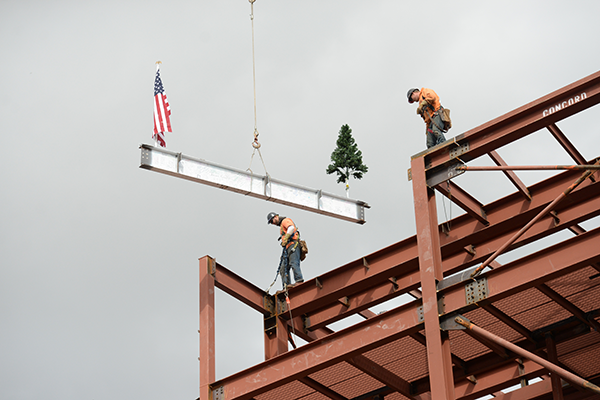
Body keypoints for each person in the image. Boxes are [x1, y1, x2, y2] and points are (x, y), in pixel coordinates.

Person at [267, 212, 304, 288]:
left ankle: (299, 280)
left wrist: (286, 238)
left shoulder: (285, 221)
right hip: (287, 248)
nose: (272, 223)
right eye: (271, 222)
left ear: (276, 217)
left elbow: (291, 228)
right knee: (283, 268)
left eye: (272, 221)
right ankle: (286, 286)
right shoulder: (281, 226)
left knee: (293, 262)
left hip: (293, 245)